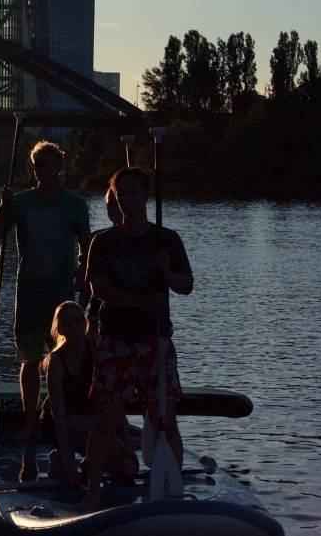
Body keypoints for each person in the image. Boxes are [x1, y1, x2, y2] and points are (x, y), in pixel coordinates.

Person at [77, 167, 193, 512]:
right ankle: (93, 492)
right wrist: (140, 301)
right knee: (105, 422)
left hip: (155, 343)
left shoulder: (167, 240)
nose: (128, 198)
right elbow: (99, 289)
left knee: (164, 420)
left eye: (134, 191)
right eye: (121, 193)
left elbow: (186, 285)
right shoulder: (104, 242)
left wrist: (165, 271)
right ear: (115, 199)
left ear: (146, 195)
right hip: (115, 341)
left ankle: (173, 491)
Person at [0, 141, 91, 443]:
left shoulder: (75, 204)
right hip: (30, 293)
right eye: (38, 166)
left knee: (68, 358)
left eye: (49, 164)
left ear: (60, 168)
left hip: (62, 297)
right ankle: (30, 423)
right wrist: (3, 206)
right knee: (30, 361)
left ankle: (70, 418)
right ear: (33, 169)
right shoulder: (21, 202)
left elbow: (86, 247)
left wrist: (84, 277)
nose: (44, 170)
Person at [39, 301, 137, 486]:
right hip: (62, 422)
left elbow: (114, 402)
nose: (74, 327)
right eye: (67, 323)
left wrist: (127, 444)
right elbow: (58, 414)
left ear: (85, 323)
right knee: (92, 427)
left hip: (92, 420)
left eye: (77, 321)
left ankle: (88, 461)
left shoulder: (98, 352)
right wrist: (69, 462)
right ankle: (61, 455)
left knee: (128, 469)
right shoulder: (56, 361)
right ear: (60, 330)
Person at [80, 188, 123, 332]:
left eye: (117, 202)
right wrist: (80, 313)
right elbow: (86, 284)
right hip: (98, 316)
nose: (114, 208)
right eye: (110, 203)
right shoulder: (96, 240)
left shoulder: (149, 239)